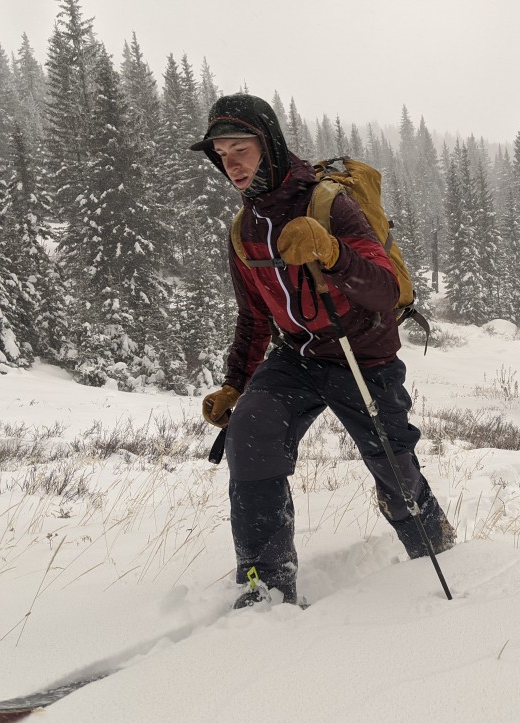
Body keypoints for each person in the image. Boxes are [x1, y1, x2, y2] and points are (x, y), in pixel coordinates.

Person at [190, 94, 456, 608]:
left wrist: (331, 252)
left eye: (241, 149)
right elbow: (254, 317)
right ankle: (265, 587)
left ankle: (437, 549)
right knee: (251, 432)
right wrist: (236, 385)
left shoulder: (329, 203)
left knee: (395, 471)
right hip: (298, 358)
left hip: (364, 357)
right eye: (222, 155)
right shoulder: (244, 230)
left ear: (268, 146)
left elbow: (384, 289)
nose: (233, 164)